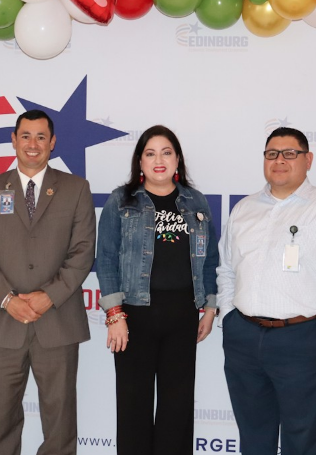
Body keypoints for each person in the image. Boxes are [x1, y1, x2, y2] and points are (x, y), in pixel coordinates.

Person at [216, 127, 316, 455]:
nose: (279, 160)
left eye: (289, 154)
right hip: (243, 338)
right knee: (253, 436)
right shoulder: (244, 209)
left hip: (300, 339)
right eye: (272, 154)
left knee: (303, 440)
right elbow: (226, 268)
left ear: (308, 160)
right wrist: (228, 316)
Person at [0, 109, 96, 455]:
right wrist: (8, 299)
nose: (33, 144)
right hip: (0, 325)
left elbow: (83, 251)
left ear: (52, 143)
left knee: (60, 426)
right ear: (14, 140)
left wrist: (48, 296)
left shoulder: (76, 189)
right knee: (3, 423)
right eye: (26, 135)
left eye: (41, 136)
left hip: (57, 322)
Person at [96, 125, 220, 454]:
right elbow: (105, 258)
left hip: (182, 315)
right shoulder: (121, 201)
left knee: (177, 410)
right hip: (134, 316)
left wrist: (210, 307)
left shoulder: (196, 201)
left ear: (177, 159)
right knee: (133, 408)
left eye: (166, 152)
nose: (159, 160)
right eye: (150, 154)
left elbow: (210, 258)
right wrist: (115, 315)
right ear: (140, 161)